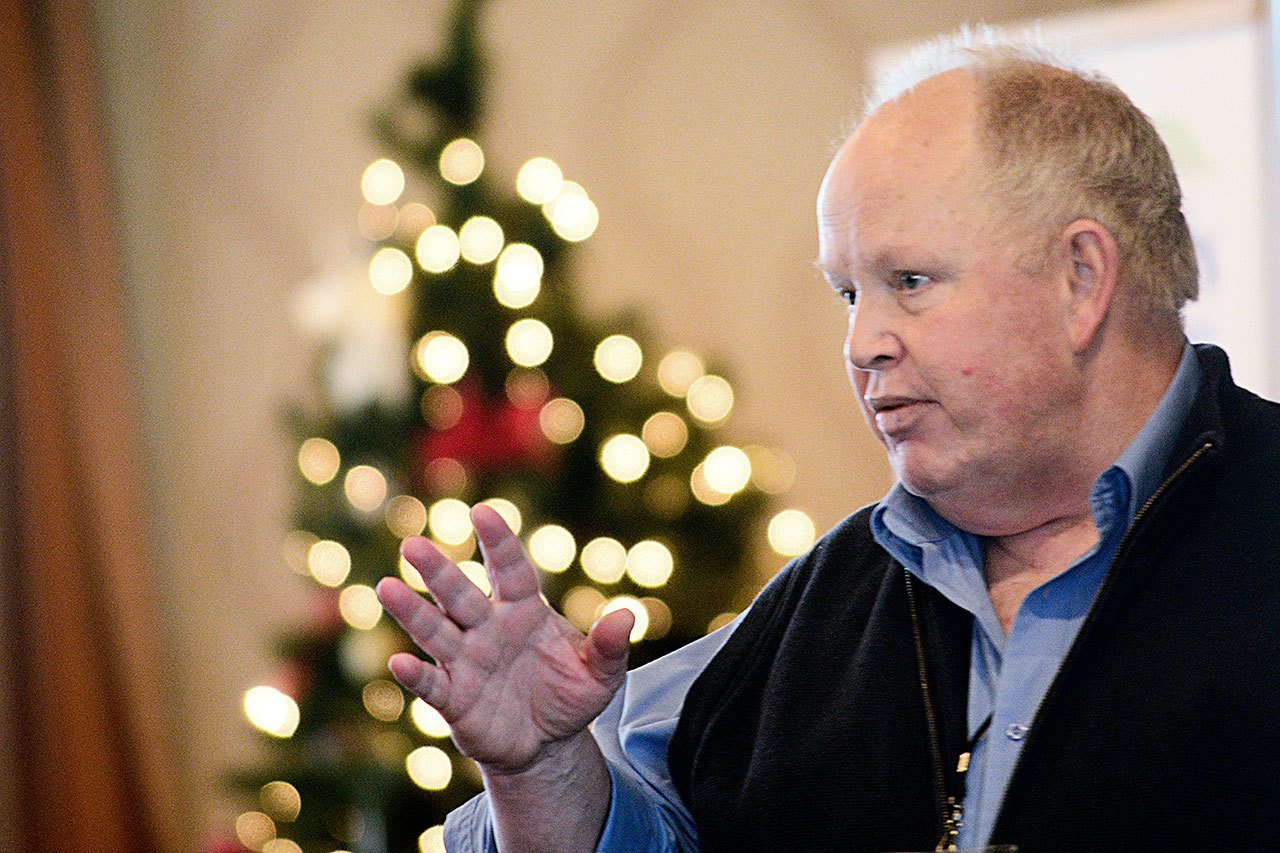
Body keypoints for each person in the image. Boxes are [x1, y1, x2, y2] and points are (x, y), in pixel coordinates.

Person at [375, 29, 1280, 853]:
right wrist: (539, 768)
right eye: (851, 293)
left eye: (910, 280)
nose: (861, 344)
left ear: (1082, 277)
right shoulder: (815, 608)